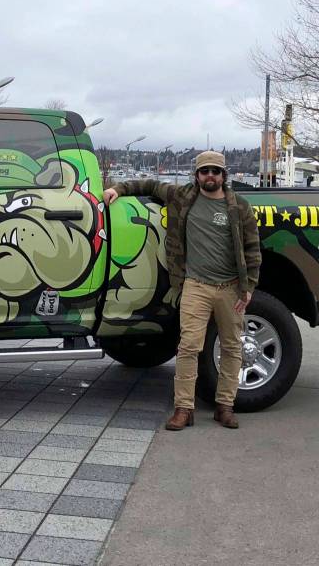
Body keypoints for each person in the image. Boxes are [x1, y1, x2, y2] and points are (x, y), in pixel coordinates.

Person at [103, 151, 261, 430]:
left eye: (215, 171)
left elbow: (252, 249)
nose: (209, 176)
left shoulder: (239, 207)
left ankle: (225, 406)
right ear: (196, 175)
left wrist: (248, 286)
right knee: (188, 347)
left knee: (232, 346)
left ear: (224, 175)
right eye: (204, 171)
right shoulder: (182, 197)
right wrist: (118, 188)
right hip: (195, 286)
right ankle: (183, 409)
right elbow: (150, 185)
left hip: (230, 288)